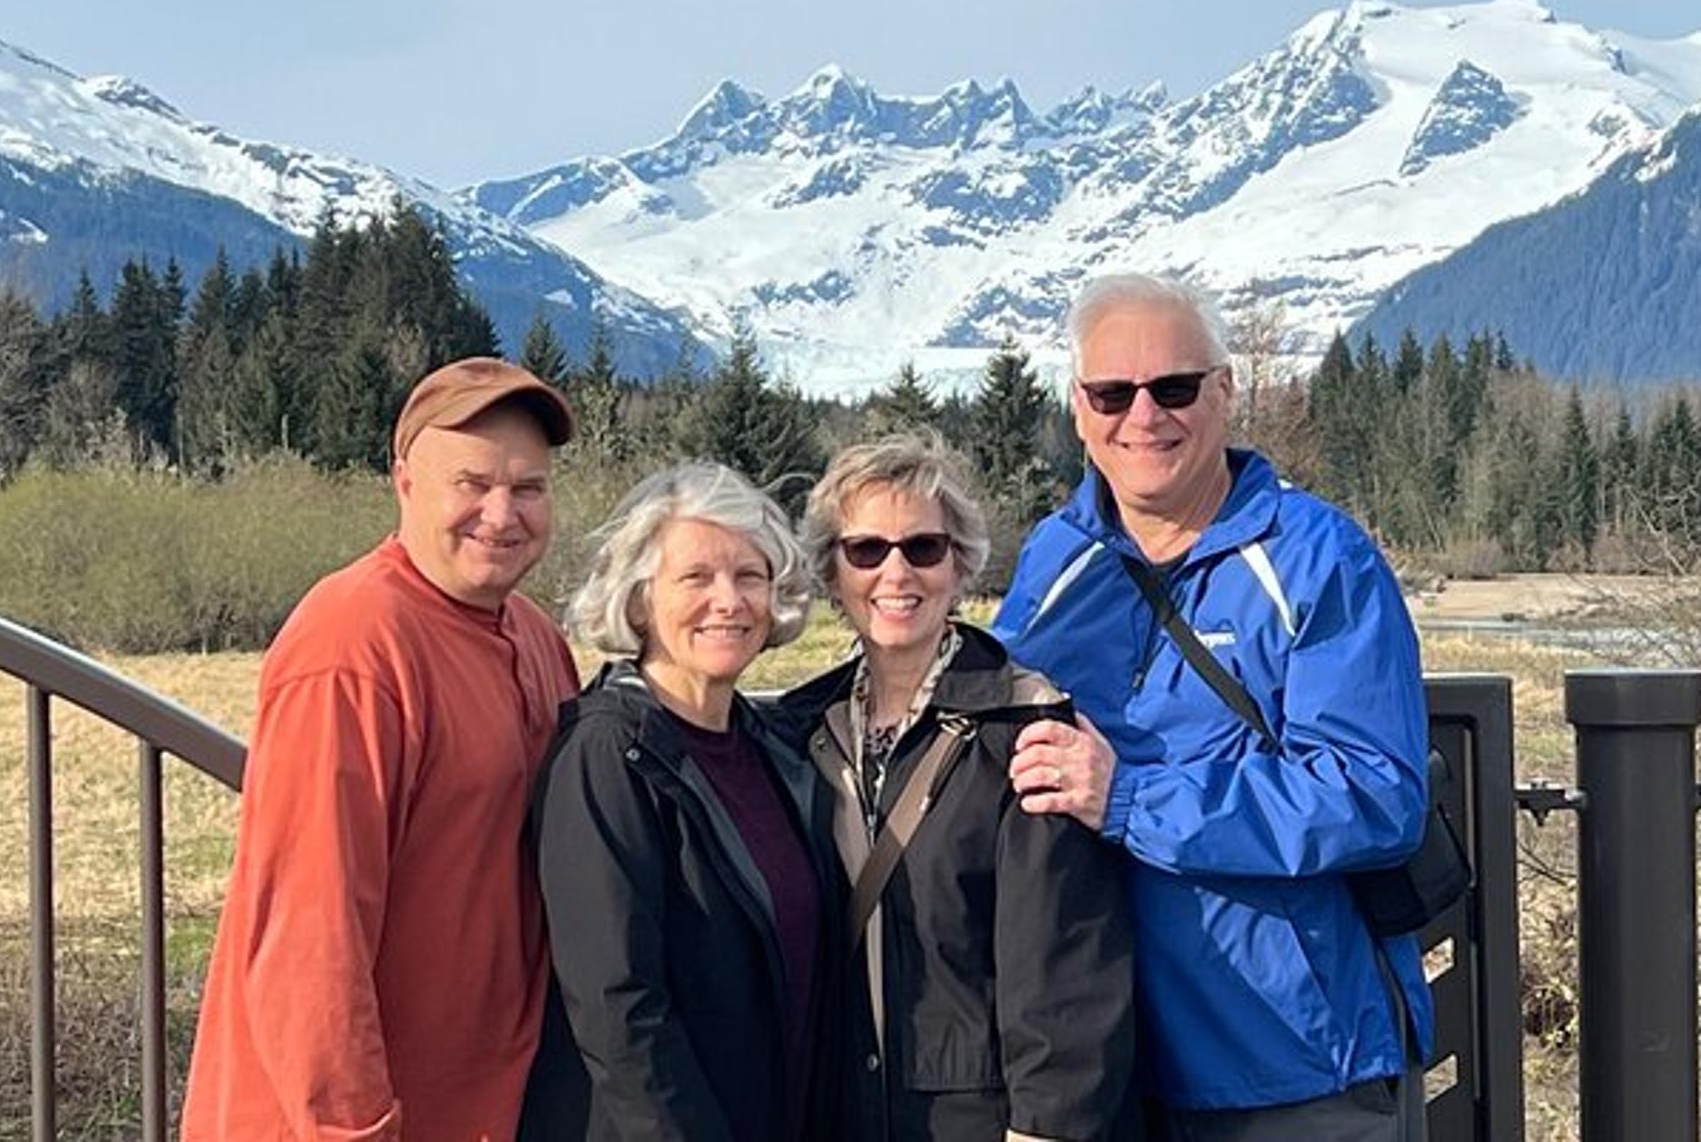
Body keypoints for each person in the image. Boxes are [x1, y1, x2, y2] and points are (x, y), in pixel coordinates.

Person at [995, 273, 1433, 1141]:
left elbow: (1375, 794)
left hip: (1291, 1063)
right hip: (1098, 1063)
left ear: (1226, 391)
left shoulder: (1318, 557)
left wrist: (1132, 800)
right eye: (1112, 392)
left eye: (1175, 387)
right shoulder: (1053, 561)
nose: (1143, 416)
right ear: (1078, 409)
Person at [183, 357, 580, 1142]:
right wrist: (353, 1126)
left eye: (528, 487)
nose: (501, 514)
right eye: (471, 483)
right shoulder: (353, 643)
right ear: (403, 481)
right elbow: (311, 929)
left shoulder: (535, 636)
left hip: (478, 1107)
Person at [775, 432, 1140, 1142]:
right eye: (866, 549)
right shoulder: (798, 729)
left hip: (979, 1116)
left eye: (923, 547)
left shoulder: (1023, 728)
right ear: (831, 569)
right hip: (838, 1109)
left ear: (960, 563)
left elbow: (1065, 966)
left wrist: (1045, 1128)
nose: (896, 571)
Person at [519, 463, 845, 1142]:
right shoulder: (606, 755)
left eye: (749, 575)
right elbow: (618, 1009)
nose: (728, 600)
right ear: (639, 600)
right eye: (696, 577)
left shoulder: (771, 746)